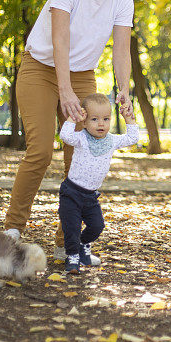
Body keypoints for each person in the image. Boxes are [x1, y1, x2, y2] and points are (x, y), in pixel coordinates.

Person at [3, 0, 135, 265]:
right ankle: (12, 232)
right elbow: (59, 38)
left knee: (81, 157)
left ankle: (69, 244)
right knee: (41, 149)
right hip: (41, 68)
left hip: (83, 74)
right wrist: (64, 90)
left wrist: (123, 89)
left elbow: (122, 50)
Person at [58, 93, 138, 273]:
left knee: (97, 226)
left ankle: (83, 244)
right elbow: (65, 136)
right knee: (71, 227)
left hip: (90, 196)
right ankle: (72, 257)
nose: (101, 124)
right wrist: (73, 118)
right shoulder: (81, 138)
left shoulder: (111, 140)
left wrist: (129, 119)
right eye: (94, 119)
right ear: (84, 122)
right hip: (71, 192)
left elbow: (132, 139)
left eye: (106, 119)